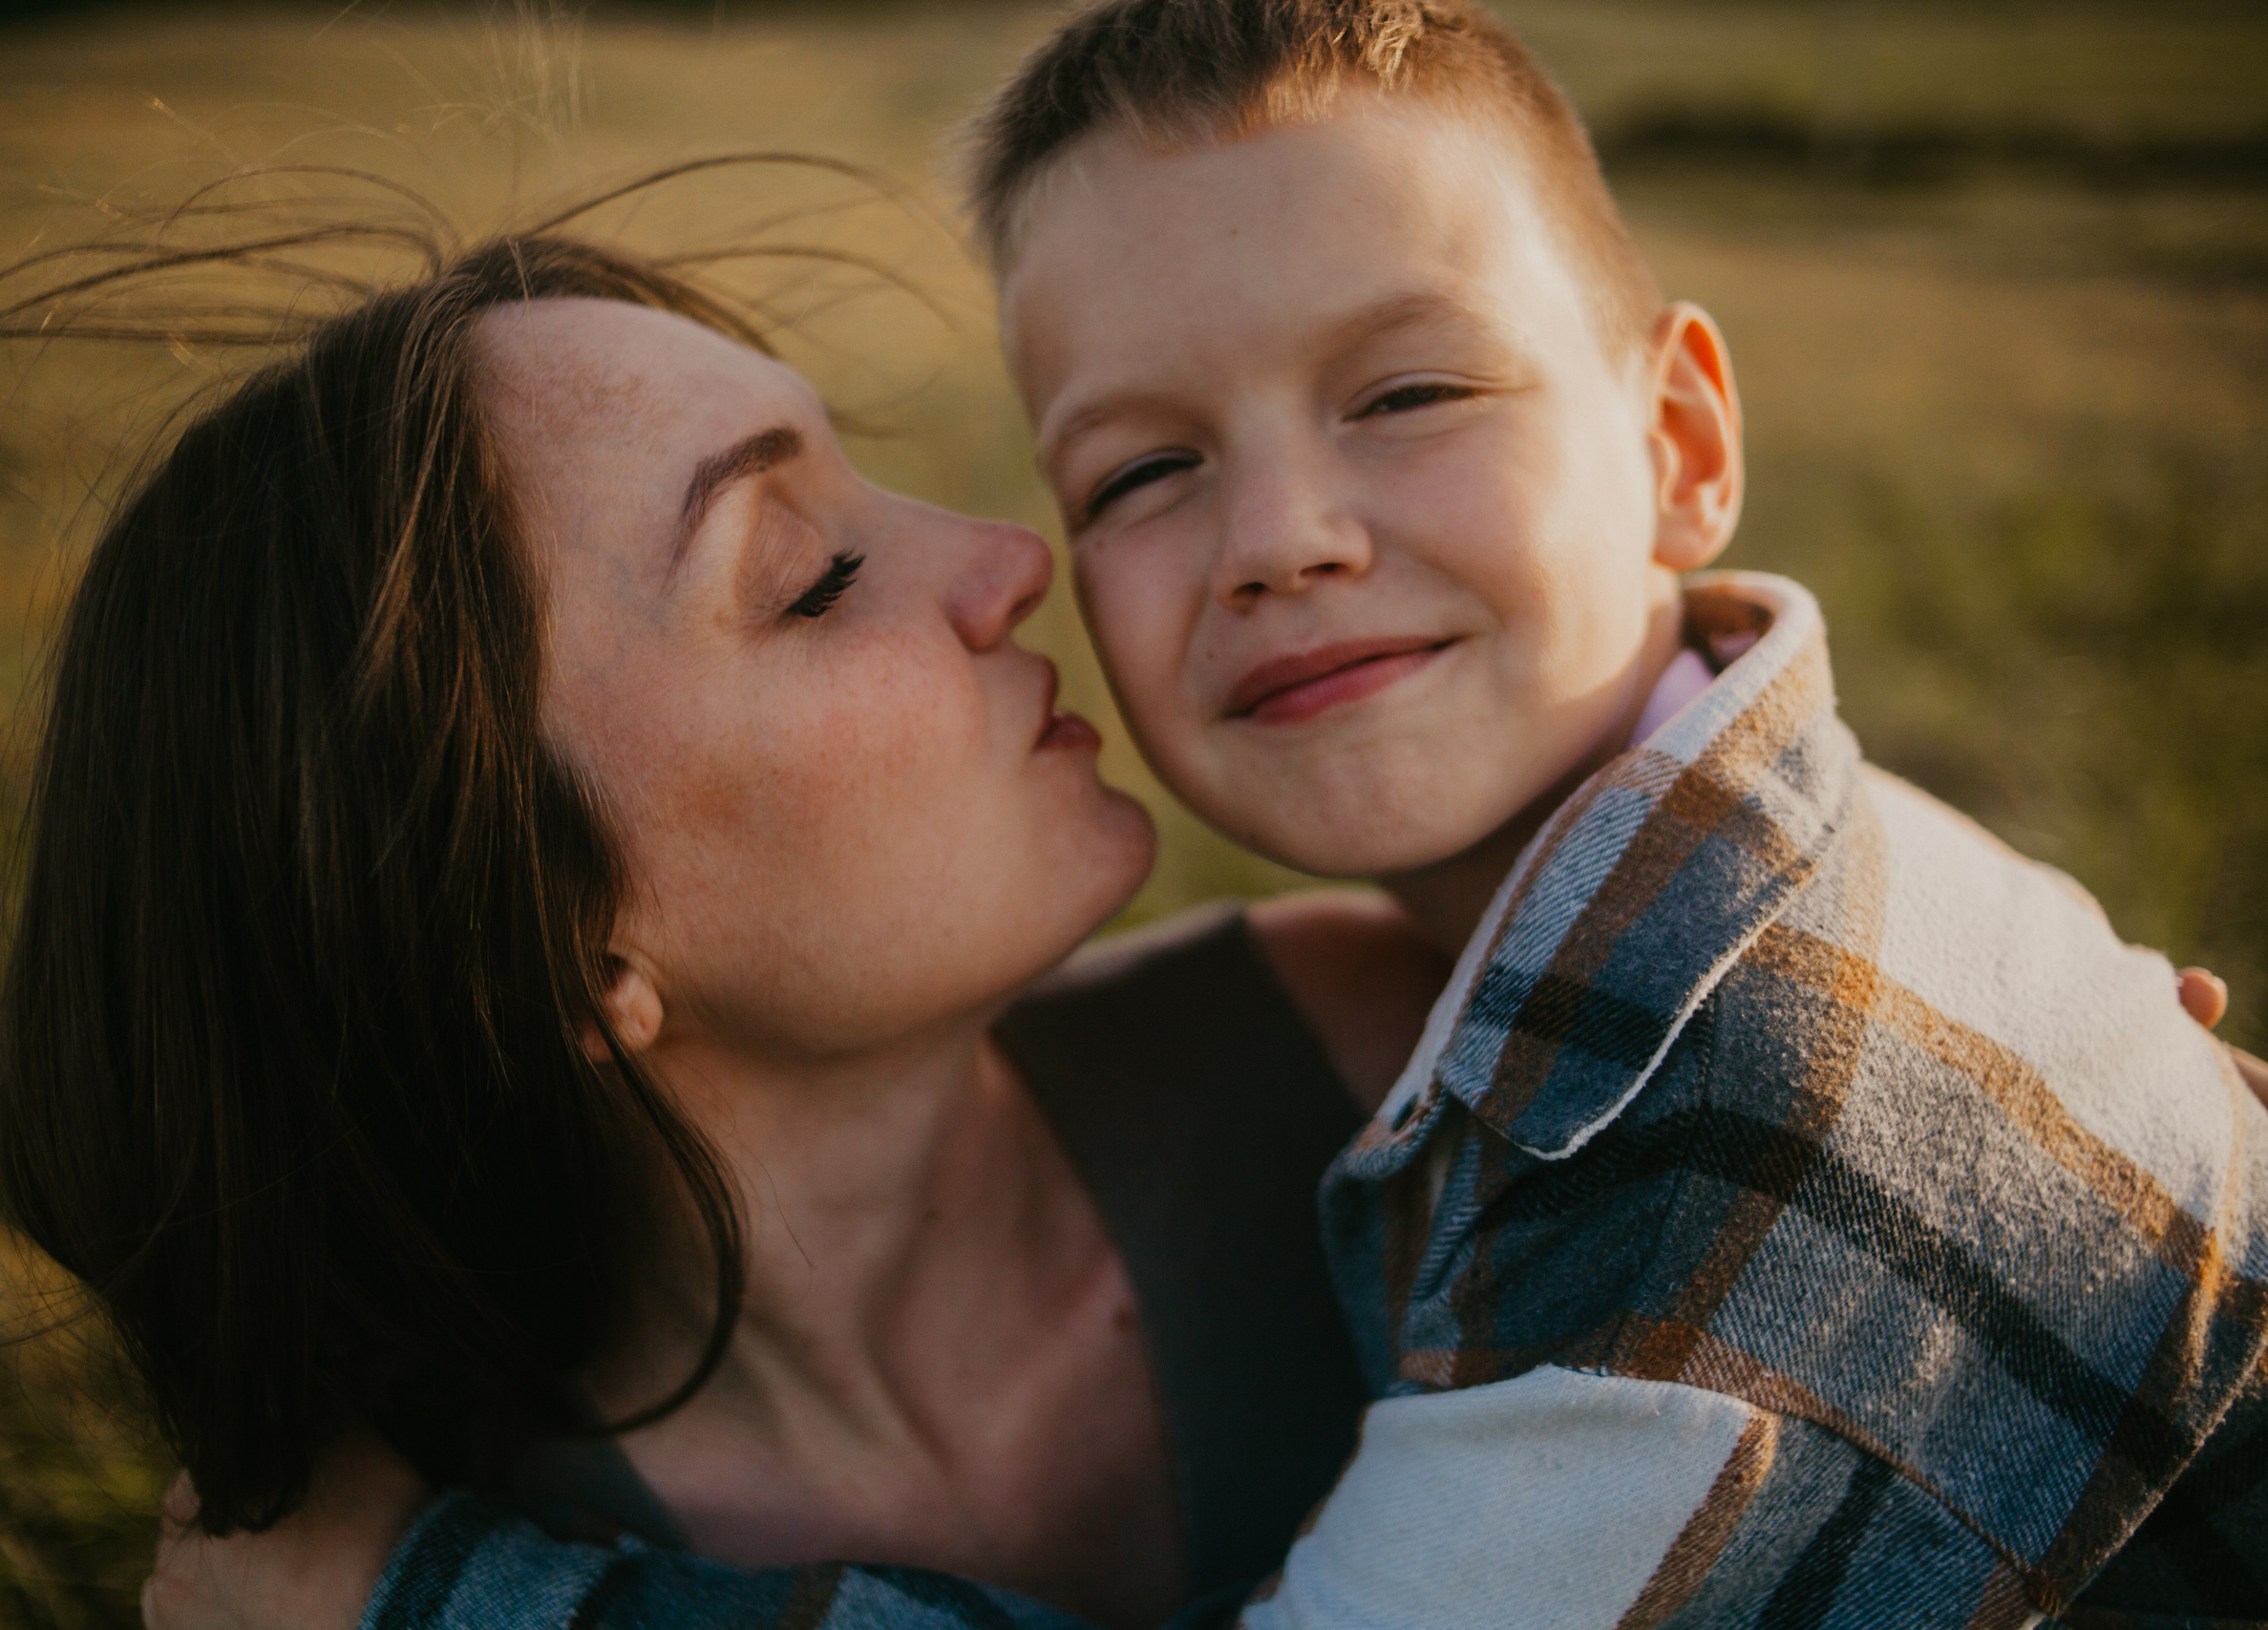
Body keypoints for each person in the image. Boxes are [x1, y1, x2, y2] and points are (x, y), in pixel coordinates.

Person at [969, 0, 2268, 1622]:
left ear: (1678, 443)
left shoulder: (1735, 1106)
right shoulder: (1743, 880)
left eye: (1408, 393)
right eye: (1140, 473)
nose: (1279, 537)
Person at [0, 228, 1454, 1630]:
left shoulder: (1402, 1068)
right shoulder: (392, 1547)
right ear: (557, 958)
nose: (1008, 560)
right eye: (816, 578)